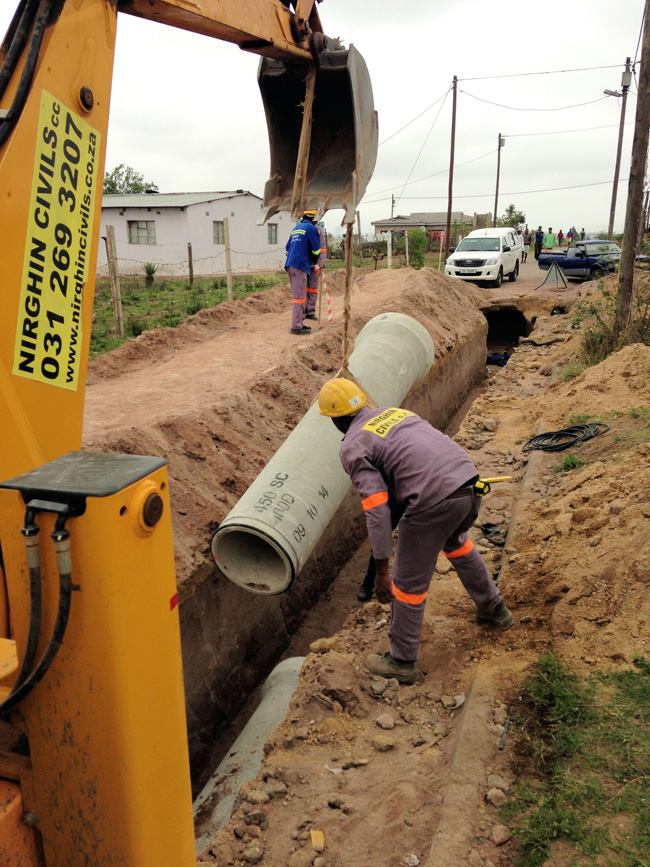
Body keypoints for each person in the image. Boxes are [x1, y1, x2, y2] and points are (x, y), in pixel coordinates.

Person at [317, 378, 514, 684]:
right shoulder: (396, 414)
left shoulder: (353, 445)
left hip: (433, 503)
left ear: (335, 420)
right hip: (469, 484)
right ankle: (494, 607)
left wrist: (382, 571)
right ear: (363, 402)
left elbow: (378, 510)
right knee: (456, 542)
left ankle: (401, 660)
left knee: (407, 583)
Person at [284, 210, 322, 335]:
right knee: (299, 298)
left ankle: (299, 323)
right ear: (314, 219)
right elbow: (316, 251)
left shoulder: (296, 228)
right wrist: (315, 263)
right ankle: (296, 327)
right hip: (300, 265)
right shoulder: (311, 229)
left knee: (299, 295)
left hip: (290, 264)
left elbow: (287, 250)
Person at [305, 221, 327, 321]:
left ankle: (310, 311)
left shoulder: (318, 231)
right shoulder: (302, 229)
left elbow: (322, 249)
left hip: (314, 265)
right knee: (303, 288)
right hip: (303, 264)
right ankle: (302, 310)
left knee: (313, 288)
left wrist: (321, 264)